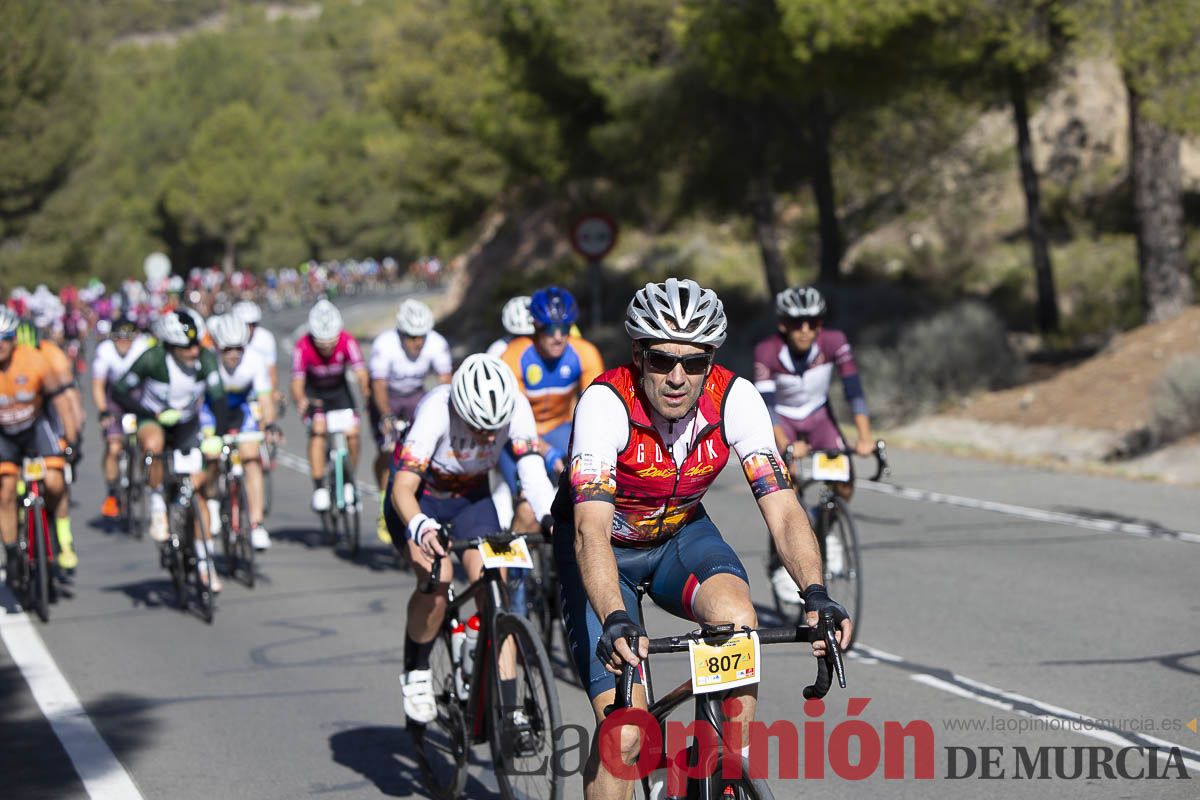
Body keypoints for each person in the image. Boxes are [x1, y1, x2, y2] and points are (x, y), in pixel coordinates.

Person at [552, 277, 851, 799]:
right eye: (661, 359)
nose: (676, 377)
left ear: (710, 361)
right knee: (625, 736)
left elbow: (782, 508)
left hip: (677, 536)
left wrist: (816, 594)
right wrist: (614, 616)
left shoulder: (735, 399)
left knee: (738, 622)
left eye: (693, 362)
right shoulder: (605, 404)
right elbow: (590, 529)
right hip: (603, 555)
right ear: (637, 355)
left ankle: (720, 766)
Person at [389, 354, 554, 729]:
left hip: (471, 499)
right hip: (422, 497)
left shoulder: (517, 405)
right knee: (438, 577)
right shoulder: (435, 410)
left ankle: (510, 709)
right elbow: (402, 488)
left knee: (495, 586)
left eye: (495, 430)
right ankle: (416, 670)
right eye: (479, 429)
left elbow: (532, 474)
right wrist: (421, 527)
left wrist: (549, 520)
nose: (489, 438)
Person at [752, 286, 875, 612]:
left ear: (820, 323)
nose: (805, 329)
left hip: (820, 419)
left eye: (812, 321)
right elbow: (768, 406)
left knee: (845, 478)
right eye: (796, 322)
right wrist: (786, 445)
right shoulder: (767, 351)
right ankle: (782, 563)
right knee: (786, 487)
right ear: (783, 324)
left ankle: (826, 526)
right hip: (784, 424)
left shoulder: (834, 342)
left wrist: (864, 436)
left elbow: (854, 390)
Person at [112, 308, 230, 591]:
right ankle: (156, 507)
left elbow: (219, 400)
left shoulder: (205, 358)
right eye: (185, 346)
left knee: (201, 484)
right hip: (154, 421)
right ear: (170, 346)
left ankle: (205, 564)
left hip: (188, 425)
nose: (192, 350)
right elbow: (119, 390)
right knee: (153, 445)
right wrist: (149, 414)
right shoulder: (153, 359)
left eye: (195, 344)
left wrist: (220, 434)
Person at [0, 308, 77, 586]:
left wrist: (72, 440)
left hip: (35, 427)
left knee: (55, 482)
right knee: (5, 490)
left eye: (5, 339)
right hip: (4, 434)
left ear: (13, 339)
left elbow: (62, 401)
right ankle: (10, 550)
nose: (0, 346)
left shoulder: (33, 360)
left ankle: (57, 529)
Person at [368, 298, 451, 543]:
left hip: (415, 395)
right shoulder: (385, 344)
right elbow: (378, 386)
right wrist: (385, 416)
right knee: (389, 447)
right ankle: (386, 499)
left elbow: (445, 382)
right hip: (388, 397)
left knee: (423, 448)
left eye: (421, 336)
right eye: (411, 337)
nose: (417, 342)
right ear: (400, 333)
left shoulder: (436, 343)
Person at [204, 315, 275, 550]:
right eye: (227, 349)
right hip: (211, 411)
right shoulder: (208, 362)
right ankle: (213, 501)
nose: (234, 354)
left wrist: (270, 425)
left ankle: (256, 524)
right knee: (211, 455)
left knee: (251, 458)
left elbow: (265, 400)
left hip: (241, 411)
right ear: (217, 347)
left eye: (239, 348)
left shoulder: (254, 361)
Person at [291, 299, 369, 514]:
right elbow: (297, 383)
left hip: (340, 393)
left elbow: (361, 372)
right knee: (317, 431)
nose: (326, 347)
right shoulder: (302, 346)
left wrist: (366, 392)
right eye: (321, 343)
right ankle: (319, 488)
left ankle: (349, 480)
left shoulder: (347, 341)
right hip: (315, 395)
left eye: (331, 342)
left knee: (353, 433)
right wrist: (301, 401)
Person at [92, 316, 151, 519]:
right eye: (119, 338)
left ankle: (142, 476)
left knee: (145, 441)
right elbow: (98, 385)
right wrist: (103, 411)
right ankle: (112, 491)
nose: (123, 342)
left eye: (128, 338)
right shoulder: (105, 351)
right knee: (114, 445)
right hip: (114, 400)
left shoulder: (143, 348)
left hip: (138, 398)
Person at [232, 301, 281, 411]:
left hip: (259, 387)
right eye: (245, 324)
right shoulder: (231, 340)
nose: (250, 329)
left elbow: (271, 371)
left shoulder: (266, 338)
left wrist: (273, 393)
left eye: (253, 324)